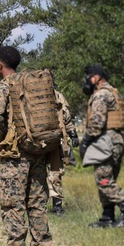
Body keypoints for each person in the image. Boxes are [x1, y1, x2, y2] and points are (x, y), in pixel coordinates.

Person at [0, 47, 58, 246]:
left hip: (14, 155)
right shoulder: (33, 84)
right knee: (37, 202)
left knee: (12, 204)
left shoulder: (4, 87)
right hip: (39, 151)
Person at [79, 65, 124, 228]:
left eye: (89, 76)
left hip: (106, 141)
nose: (87, 81)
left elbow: (97, 121)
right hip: (116, 141)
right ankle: (107, 217)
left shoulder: (101, 94)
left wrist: (85, 141)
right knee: (108, 178)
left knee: (104, 180)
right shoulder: (114, 91)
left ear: (97, 77)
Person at [47, 86, 79, 216]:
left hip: (45, 142)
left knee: (49, 175)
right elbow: (66, 117)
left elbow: (65, 117)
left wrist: (73, 134)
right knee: (54, 174)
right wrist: (73, 134)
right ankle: (55, 207)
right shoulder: (56, 95)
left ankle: (51, 206)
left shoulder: (55, 96)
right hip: (50, 142)